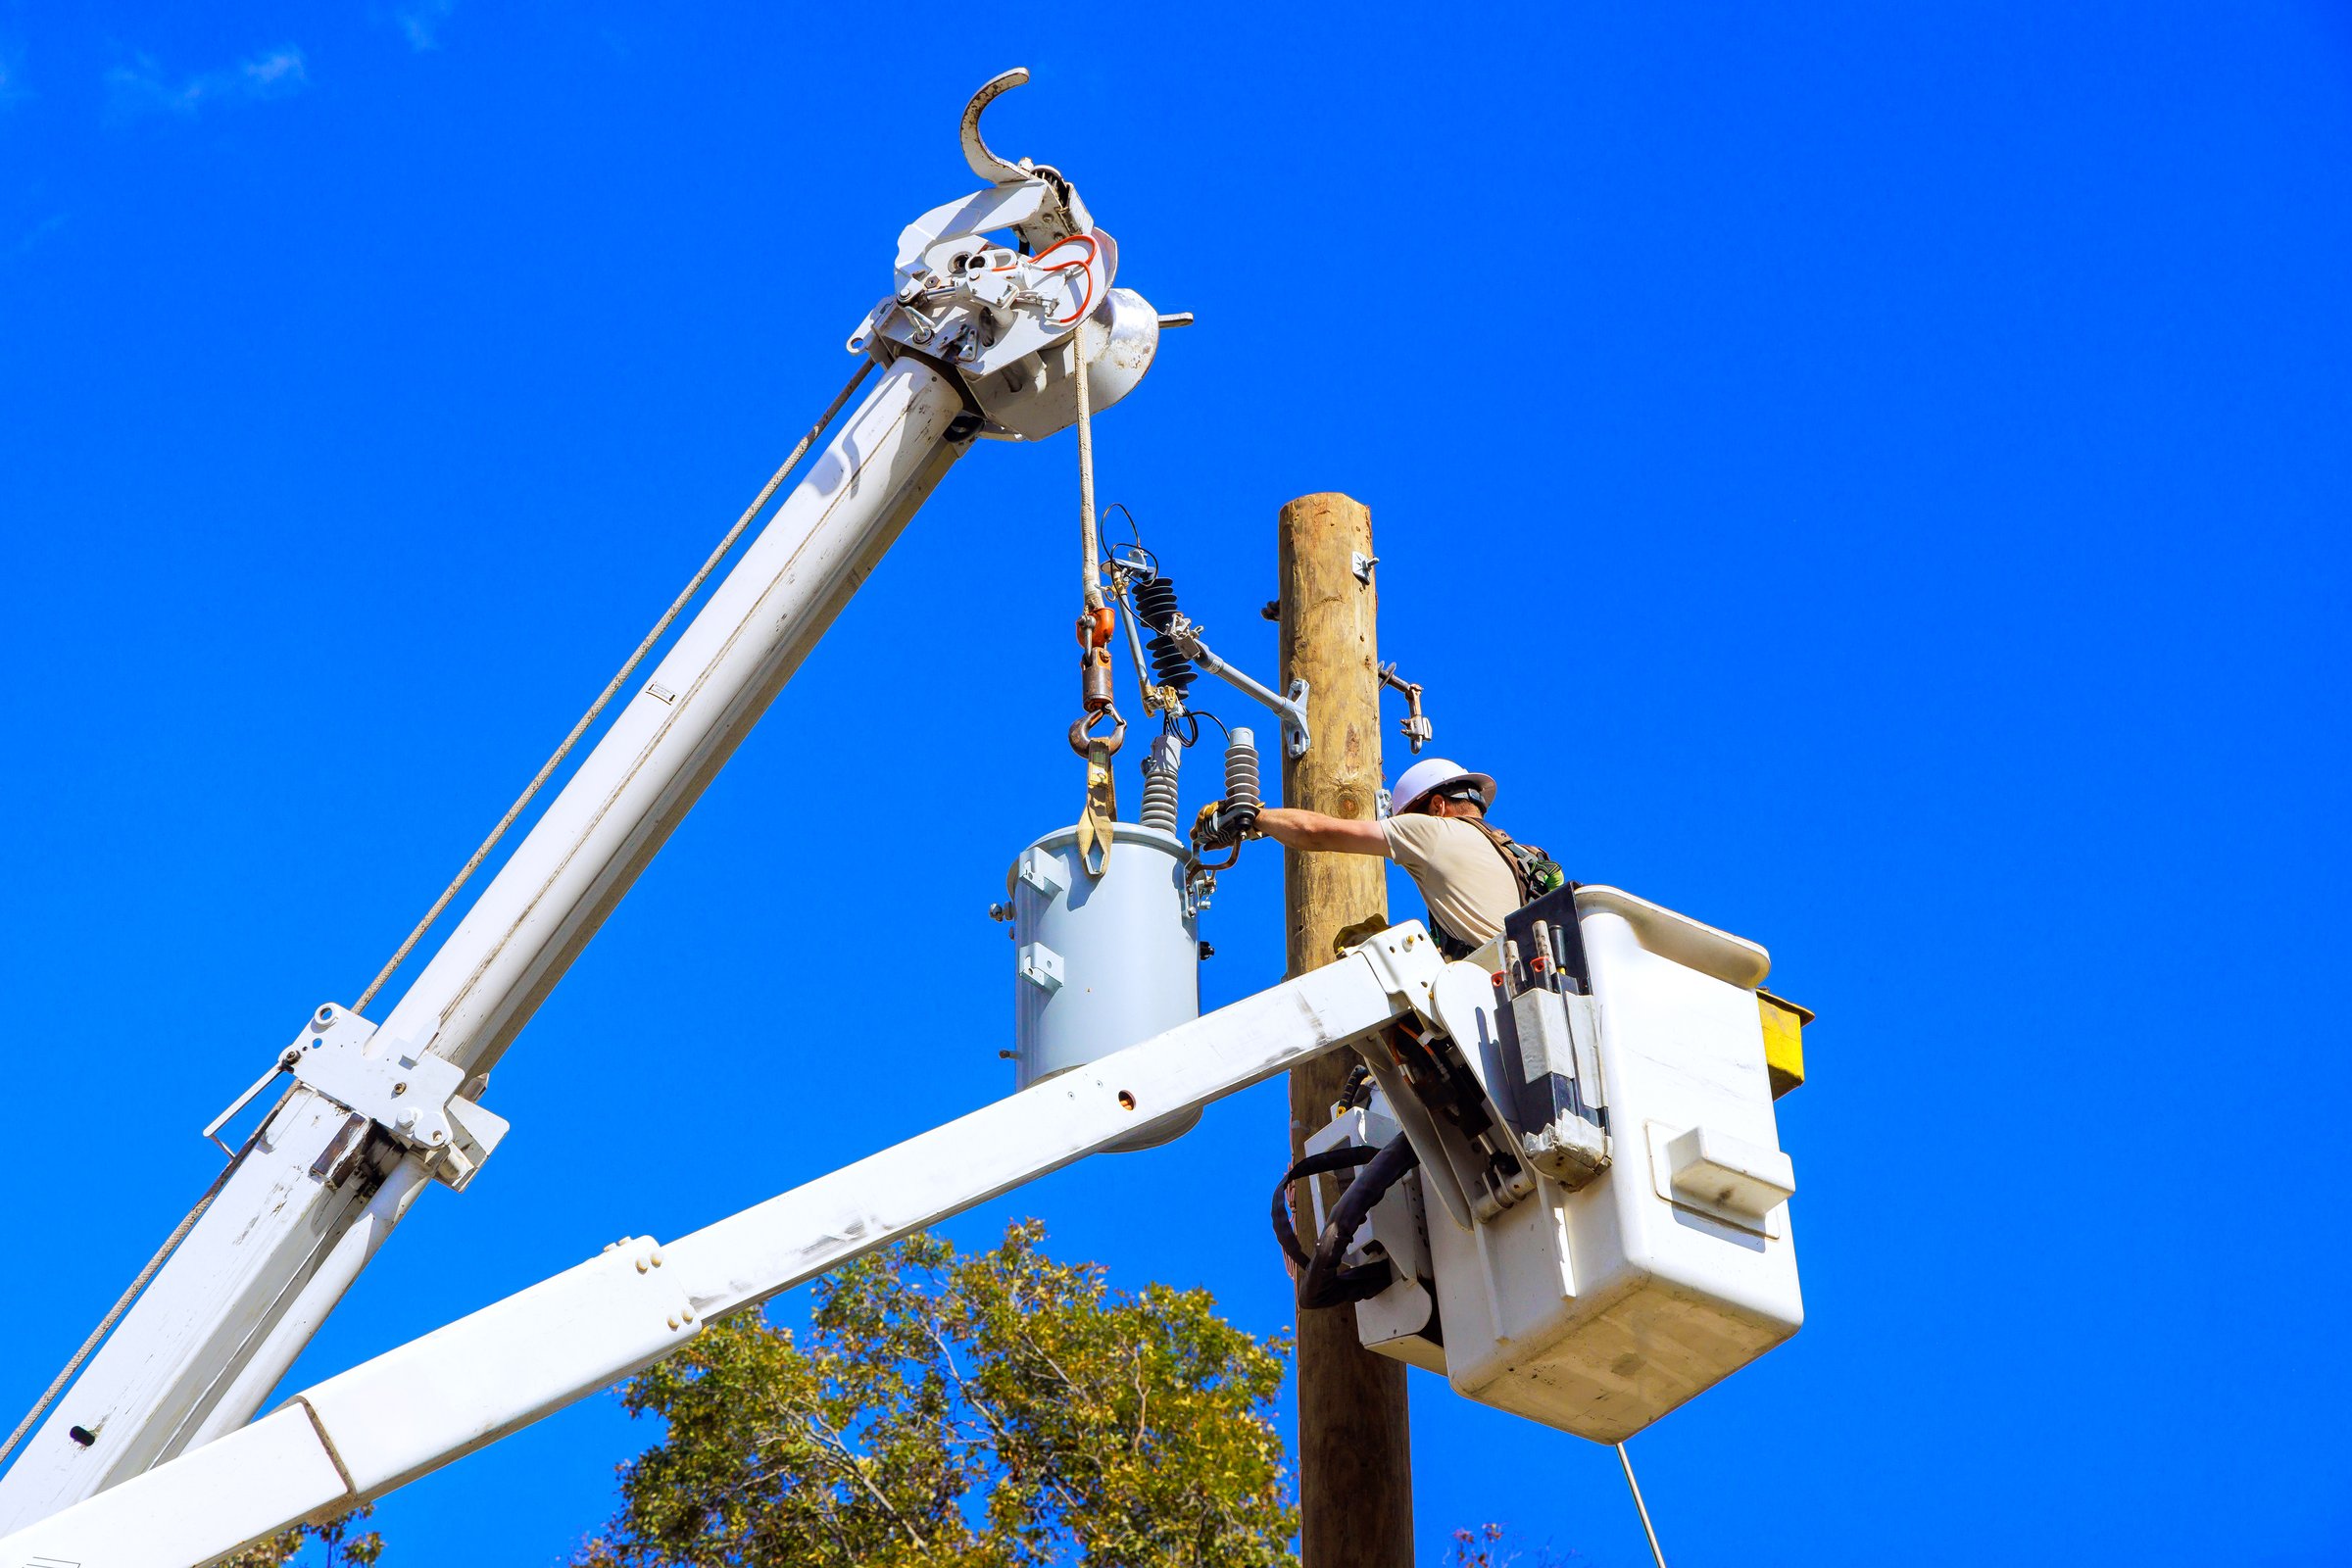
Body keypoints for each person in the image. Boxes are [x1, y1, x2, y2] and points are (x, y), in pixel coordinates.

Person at [1250, 756, 1561, 958]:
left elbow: (1315, 832)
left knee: (1370, 950)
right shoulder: (1515, 856)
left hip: (1490, 995)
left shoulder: (1432, 830)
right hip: (1532, 990)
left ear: (1437, 806)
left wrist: (1253, 817)